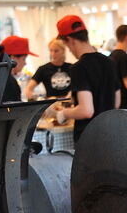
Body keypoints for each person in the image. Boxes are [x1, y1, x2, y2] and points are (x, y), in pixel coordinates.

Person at [43, 15, 119, 143]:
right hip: (109, 134)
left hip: (88, 139)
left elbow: (86, 110)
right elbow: (116, 103)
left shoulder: (79, 67)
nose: (70, 50)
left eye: (66, 45)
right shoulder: (109, 62)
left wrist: (63, 114)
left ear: (70, 40)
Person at [0, 35, 35, 105]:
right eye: (24, 59)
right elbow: (15, 112)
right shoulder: (8, 80)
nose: (25, 63)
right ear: (13, 58)